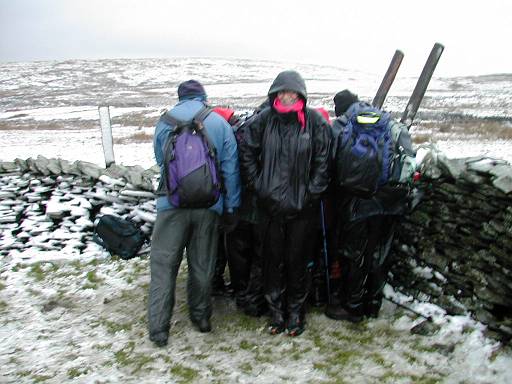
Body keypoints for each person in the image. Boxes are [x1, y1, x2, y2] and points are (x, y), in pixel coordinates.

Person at [148, 80, 241, 347]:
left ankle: (158, 329)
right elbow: (230, 170)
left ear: (180, 98)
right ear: (203, 97)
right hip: (208, 206)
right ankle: (201, 318)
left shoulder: (164, 122)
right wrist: (231, 207)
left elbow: (161, 161)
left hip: (171, 206)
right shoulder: (219, 123)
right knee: (202, 265)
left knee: (164, 266)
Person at [239, 70, 330, 336]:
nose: (286, 96)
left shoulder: (314, 122)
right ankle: (276, 314)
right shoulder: (265, 120)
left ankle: (296, 315)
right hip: (270, 209)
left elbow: (324, 162)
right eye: (281, 92)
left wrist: (310, 193)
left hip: (303, 210)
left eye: (291, 92)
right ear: (274, 94)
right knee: (272, 262)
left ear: (300, 94)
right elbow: (247, 151)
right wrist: (258, 185)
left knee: (297, 262)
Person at [325, 89, 415, 322]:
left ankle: (352, 306)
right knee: (378, 254)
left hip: (357, 201)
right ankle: (372, 304)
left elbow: (330, 165)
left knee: (353, 254)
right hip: (390, 201)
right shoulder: (387, 121)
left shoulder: (343, 125)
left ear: (340, 107)